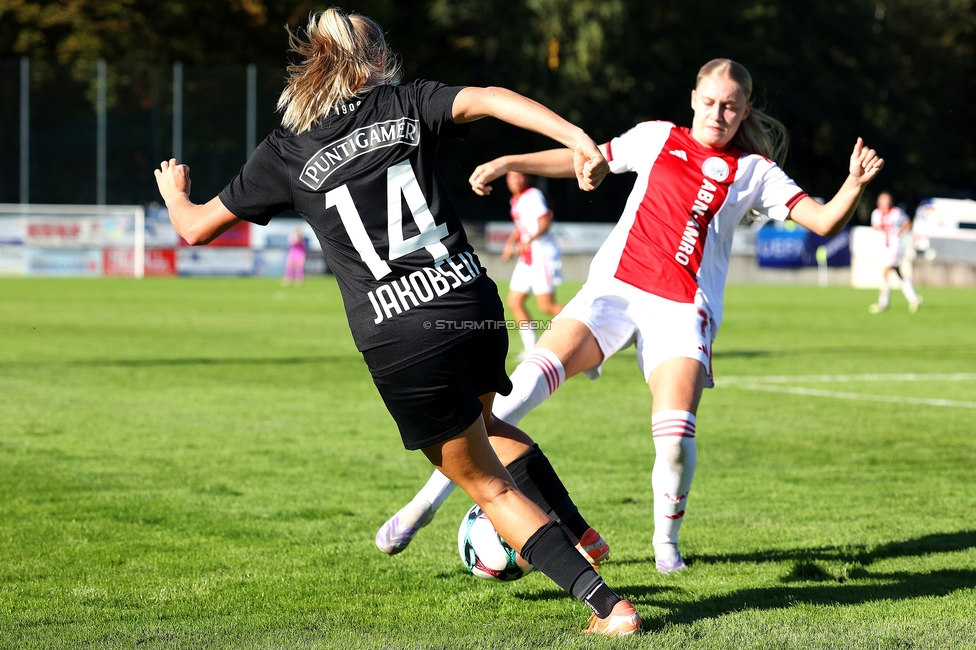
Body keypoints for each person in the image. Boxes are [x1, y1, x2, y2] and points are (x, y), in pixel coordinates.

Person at [152, 8, 639, 636]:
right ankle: (582, 533)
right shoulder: (406, 103)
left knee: (487, 487)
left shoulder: (285, 149)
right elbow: (491, 99)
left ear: (311, 62)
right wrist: (578, 139)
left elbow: (194, 228)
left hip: (402, 332)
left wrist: (173, 195)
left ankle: (608, 607)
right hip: (470, 303)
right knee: (484, 423)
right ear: (379, 57)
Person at [377, 58, 884, 575]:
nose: (718, 113)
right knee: (516, 391)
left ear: (744, 109)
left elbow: (821, 221)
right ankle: (424, 505)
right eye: (709, 102)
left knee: (674, 439)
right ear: (693, 99)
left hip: (682, 311)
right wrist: (513, 161)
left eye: (730, 106)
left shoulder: (754, 172)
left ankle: (667, 545)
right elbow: (588, 156)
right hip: (611, 293)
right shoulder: (656, 136)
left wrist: (852, 183)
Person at [500, 172, 564, 356]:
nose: (515, 180)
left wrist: (527, 241)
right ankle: (531, 349)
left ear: (526, 178)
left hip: (541, 255)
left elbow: (544, 222)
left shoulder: (533, 195)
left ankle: (589, 329)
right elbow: (521, 226)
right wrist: (510, 244)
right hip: (527, 257)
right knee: (514, 301)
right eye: (511, 177)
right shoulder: (515, 200)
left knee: (546, 306)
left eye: (519, 176)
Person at [868, 192, 921, 313]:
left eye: (887, 200)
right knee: (898, 273)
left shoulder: (896, 212)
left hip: (895, 247)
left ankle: (883, 302)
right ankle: (913, 298)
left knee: (885, 272)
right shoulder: (876, 213)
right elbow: (874, 226)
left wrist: (899, 232)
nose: (885, 203)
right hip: (884, 247)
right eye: (883, 200)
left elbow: (908, 223)